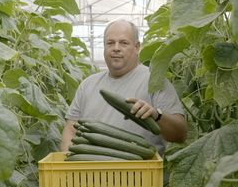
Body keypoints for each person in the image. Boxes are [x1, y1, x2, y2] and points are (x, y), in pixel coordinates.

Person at [60, 19, 187, 155]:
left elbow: (180, 135)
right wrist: (68, 162)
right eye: (110, 43)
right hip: (92, 173)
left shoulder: (155, 82)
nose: (116, 48)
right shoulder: (87, 85)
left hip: (141, 173)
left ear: (137, 47)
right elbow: (71, 129)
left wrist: (156, 115)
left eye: (123, 43)